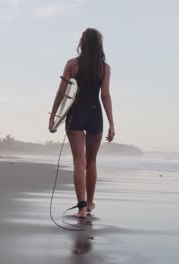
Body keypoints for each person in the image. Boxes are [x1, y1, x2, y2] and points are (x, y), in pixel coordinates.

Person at [49, 28, 115, 218]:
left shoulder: (72, 64)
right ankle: (91, 202)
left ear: (82, 43)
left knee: (79, 161)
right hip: (95, 114)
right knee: (91, 160)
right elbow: (105, 96)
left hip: (76, 114)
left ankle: (82, 207)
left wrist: (53, 116)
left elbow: (61, 92)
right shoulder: (105, 68)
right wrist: (111, 123)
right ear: (99, 44)